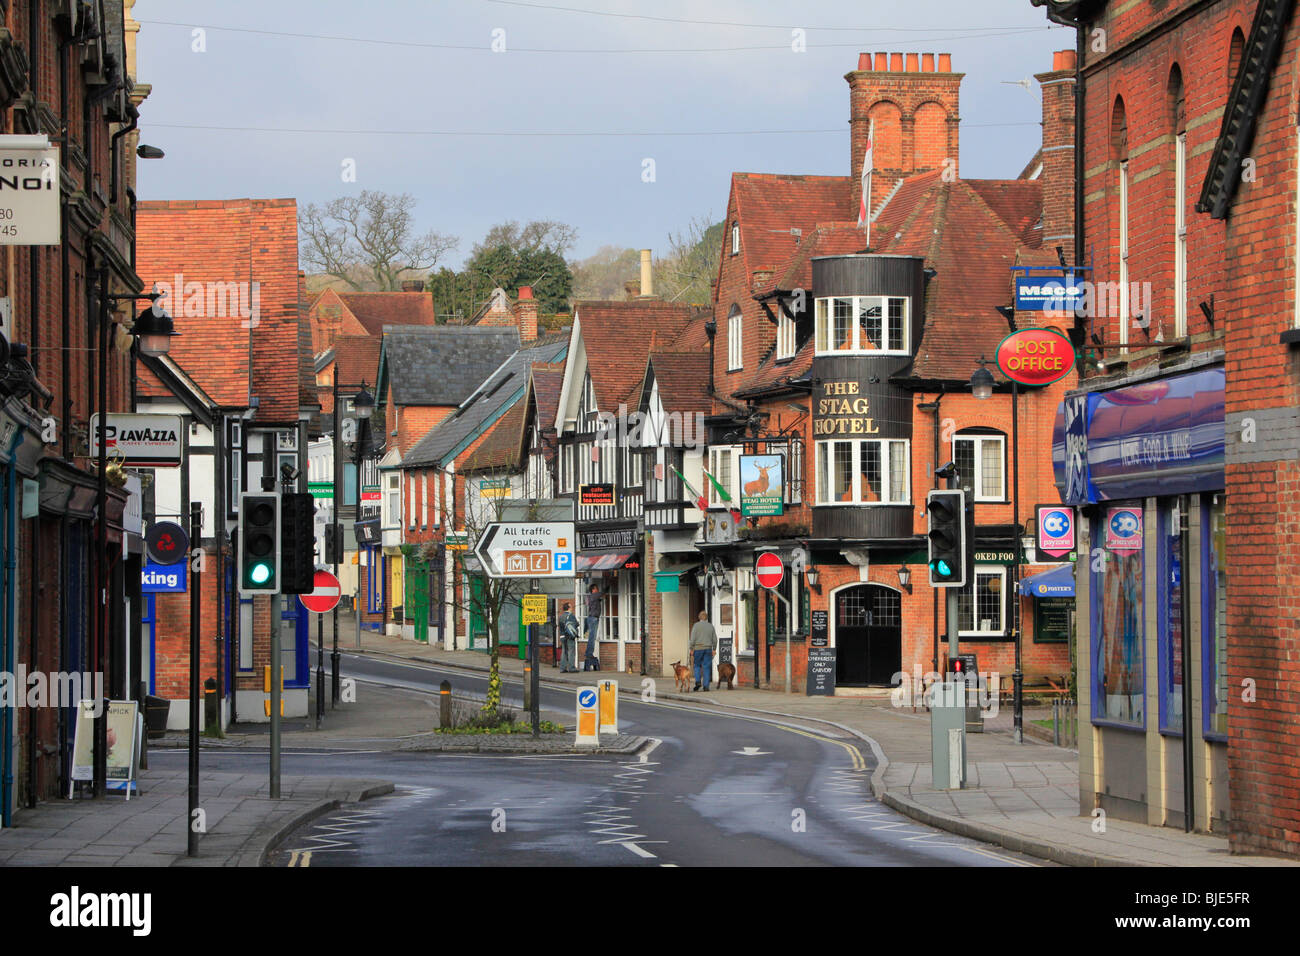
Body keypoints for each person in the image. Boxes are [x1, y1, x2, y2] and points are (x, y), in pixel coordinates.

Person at [689, 610, 717, 691]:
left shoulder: (696, 626)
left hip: (698, 649)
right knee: (706, 667)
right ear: (706, 618)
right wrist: (714, 649)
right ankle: (706, 686)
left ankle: (698, 681)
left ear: (699, 617)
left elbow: (692, 639)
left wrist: (691, 648)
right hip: (708, 649)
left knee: (697, 665)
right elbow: (715, 639)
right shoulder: (711, 626)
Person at [583, 579, 605, 671]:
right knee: (592, 636)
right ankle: (589, 653)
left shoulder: (592, 597)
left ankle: (589, 652)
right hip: (593, 618)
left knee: (592, 636)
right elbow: (603, 593)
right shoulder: (594, 595)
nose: (598, 590)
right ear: (593, 590)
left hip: (592, 618)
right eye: (596, 589)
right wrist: (611, 583)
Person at [556, 601, 579, 673]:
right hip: (569, 636)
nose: (572, 608)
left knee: (564, 652)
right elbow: (574, 625)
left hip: (562, 636)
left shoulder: (561, 616)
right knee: (571, 652)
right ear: (569, 608)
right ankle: (571, 667)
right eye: (571, 607)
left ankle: (562, 668)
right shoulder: (571, 616)